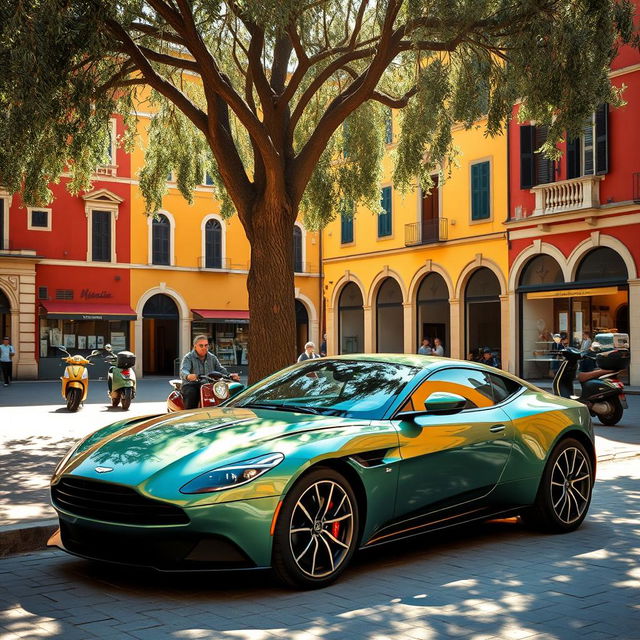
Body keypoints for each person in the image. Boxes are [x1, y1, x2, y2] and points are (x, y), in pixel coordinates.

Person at [180, 335, 240, 410]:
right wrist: (188, 376)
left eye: (206, 345)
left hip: (209, 385)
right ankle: (189, 415)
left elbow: (220, 369)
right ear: (195, 346)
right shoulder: (188, 357)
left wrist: (230, 375)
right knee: (191, 393)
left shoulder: (212, 357)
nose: (204, 348)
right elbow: (183, 370)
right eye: (201, 346)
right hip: (192, 385)